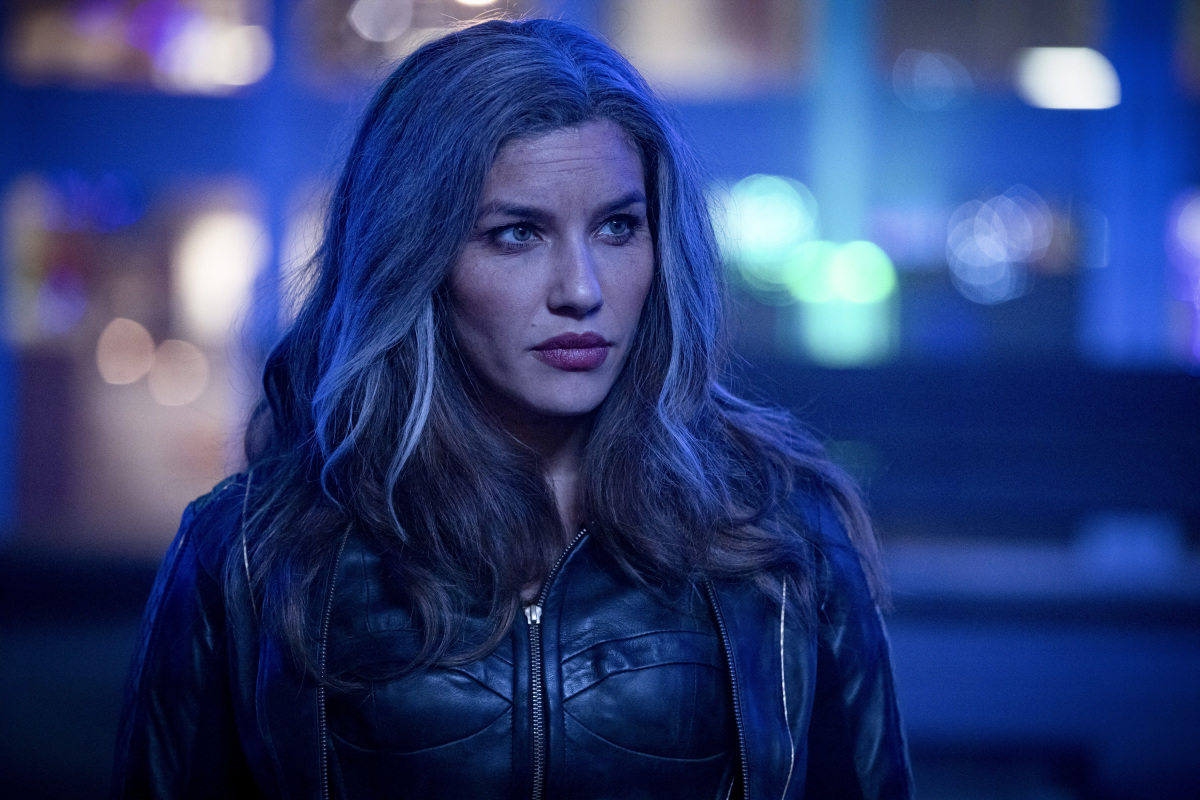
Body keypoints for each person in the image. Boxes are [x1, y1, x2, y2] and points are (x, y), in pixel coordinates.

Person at [112, 17, 912, 800]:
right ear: (417, 257)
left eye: (618, 227)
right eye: (518, 234)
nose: (581, 290)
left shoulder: (779, 532)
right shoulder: (253, 549)